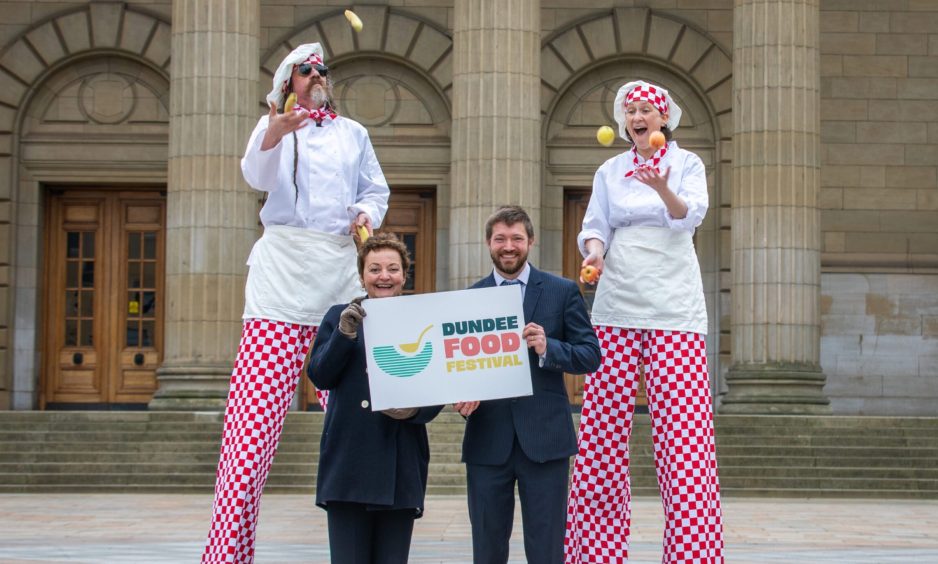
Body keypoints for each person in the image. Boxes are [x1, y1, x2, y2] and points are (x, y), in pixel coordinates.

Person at [201, 42, 390, 563]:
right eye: (305, 71)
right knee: (251, 429)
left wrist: (365, 213)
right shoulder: (274, 130)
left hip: (336, 273)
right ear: (288, 82)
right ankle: (227, 554)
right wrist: (275, 131)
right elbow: (255, 177)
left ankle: (365, 540)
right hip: (282, 276)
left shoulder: (354, 133)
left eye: (321, 70)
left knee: (356, 411)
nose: (316, 76)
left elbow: (376, 188)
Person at [563, 80, 725, 563]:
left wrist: (660, 187)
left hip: (674, 304)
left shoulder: (687, 163)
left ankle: (692, 554)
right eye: (630, 110)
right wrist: (594, 257)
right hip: (617, 301)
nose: (637, 116)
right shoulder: (610, 169)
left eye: (645, 110)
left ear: (662, 119)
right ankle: (594, 553)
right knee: (600, 432)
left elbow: (689, 216)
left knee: (685, 437)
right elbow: (596, 227)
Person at [460, 205, 602, 564]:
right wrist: (460, 394)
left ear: (531, 242)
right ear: (489, 243)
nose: (509, 246)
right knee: (487, 548)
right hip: (487, 441)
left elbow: (590, 355)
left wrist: (548, 347)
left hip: (545, 441)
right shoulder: (469, 298)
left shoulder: (561, 290)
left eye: (517, 239)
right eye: (500, 239)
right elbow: (459, 367)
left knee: (546, 547)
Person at [308, 233, 445, 564]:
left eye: (392, 268)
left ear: (404, 274)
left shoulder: (423, 317)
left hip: (400, 462)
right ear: (362, 275)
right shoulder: (338, 317)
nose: (384, 276)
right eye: (375, 269)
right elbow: (321, 375)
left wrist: (415, 410)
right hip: (348, 464)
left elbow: (439, 385)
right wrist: (343, 336)